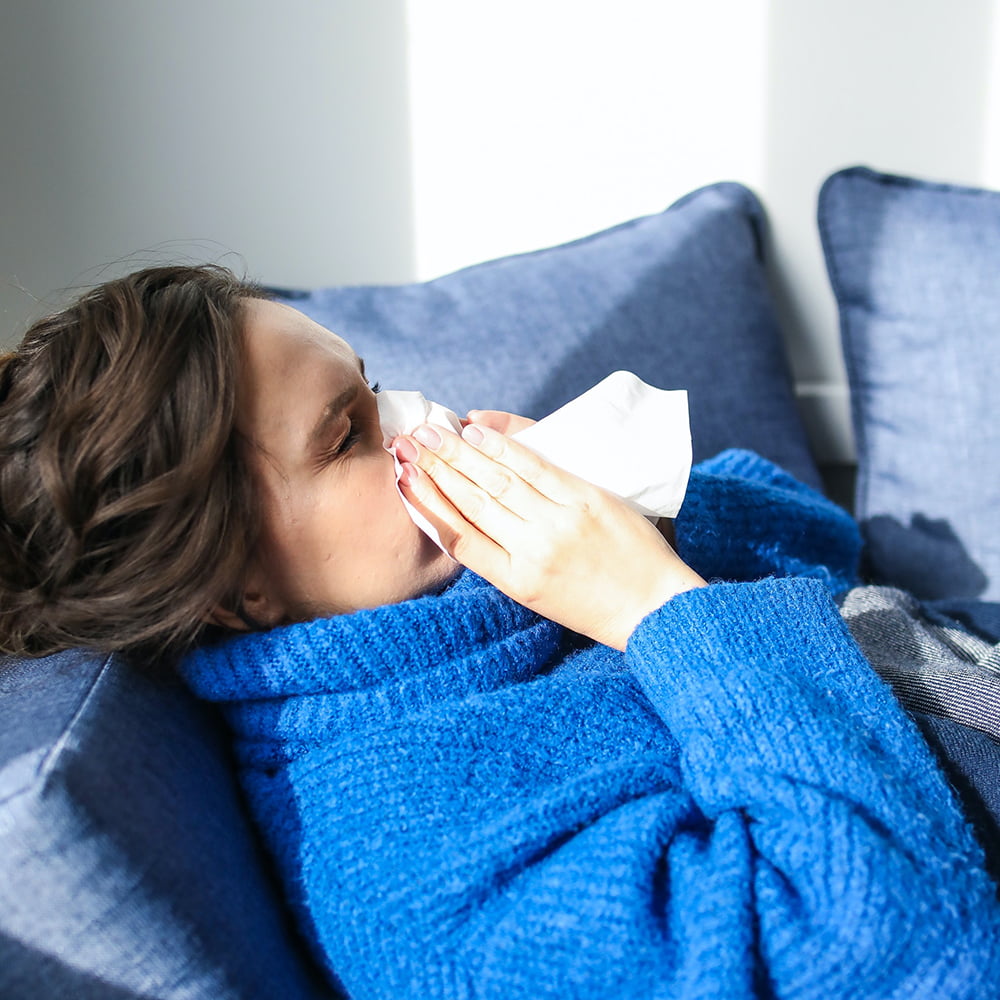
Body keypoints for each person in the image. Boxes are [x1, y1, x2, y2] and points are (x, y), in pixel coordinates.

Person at [0, 265, 998, 998]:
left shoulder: (481, 591)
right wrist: (656, 610)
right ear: (232, 587)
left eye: (375, 380)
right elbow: (897, 954)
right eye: (350, 431)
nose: (422, 417)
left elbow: (829, 547)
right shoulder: (408, 867)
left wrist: (637, 517)